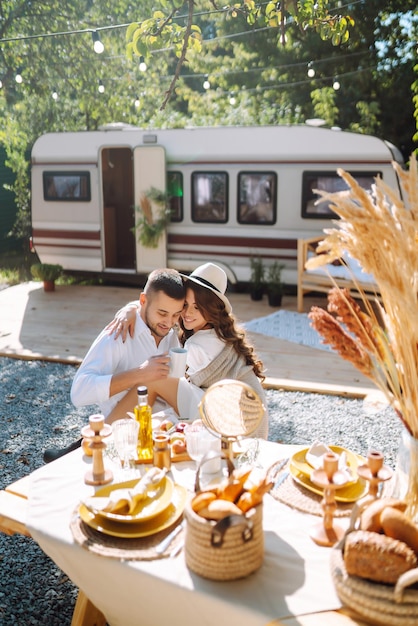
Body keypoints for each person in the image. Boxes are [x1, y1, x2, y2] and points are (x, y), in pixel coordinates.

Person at [107, 263, 269, 439]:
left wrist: (135, 312)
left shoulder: (200, 345)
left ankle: (101, 433)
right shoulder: (217, 332)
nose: (187, 313)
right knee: (156, 382)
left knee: (153, 377)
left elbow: (168, 378)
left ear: (211, 309)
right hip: (238, 415)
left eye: (197, 307)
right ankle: (112, 431)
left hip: (235, 424)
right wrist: (132, 308)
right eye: (185, 304)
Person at [43, 268, 186, 462]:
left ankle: (73, 449)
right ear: (143, 301)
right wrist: (139, 374)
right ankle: (73, 452)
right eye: (162, 313)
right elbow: (79, 392)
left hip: (167, 431)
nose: (169, 323)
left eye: (176, 314)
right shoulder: (119, 334)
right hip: (126, 437)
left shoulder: (170, 336)